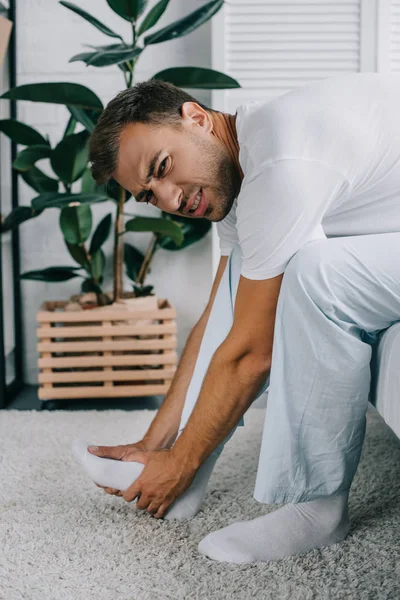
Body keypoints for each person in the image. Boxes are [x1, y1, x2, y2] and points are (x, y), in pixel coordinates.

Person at [81, 73, 400, 564]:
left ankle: (317, 508)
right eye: (148, 195)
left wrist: (180, 464)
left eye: (162, 167)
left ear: (196, 118)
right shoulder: (237, 164)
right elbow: (221, 315)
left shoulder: (282, 162)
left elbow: (252, 353)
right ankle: (191, 479)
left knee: (319, 274)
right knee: (261, 279)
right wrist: (157, 445)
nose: (168, 200)